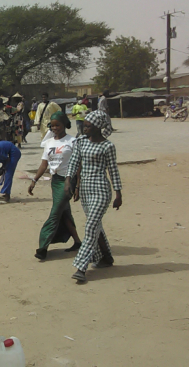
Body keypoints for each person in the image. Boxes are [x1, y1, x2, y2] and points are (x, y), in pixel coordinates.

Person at [65, 110, 122, 282]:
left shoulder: (108, 146)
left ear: (98, 128)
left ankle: (81, 267)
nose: (84, 128)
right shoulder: (81, 142)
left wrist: (118, 193)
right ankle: (105, 257)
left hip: (101, 191)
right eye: (84, 124)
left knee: (90, 227)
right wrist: (69, 181)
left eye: (88, 126)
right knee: (95, 225)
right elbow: (74, 161)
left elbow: (113, 171)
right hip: (85, 191)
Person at [29, 112, 82, 260]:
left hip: (68, 181)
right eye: (52, 125)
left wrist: (77, 185)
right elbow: (44, 164)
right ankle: (78, 241)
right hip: (56, 181)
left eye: (57, 125)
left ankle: (43, 247)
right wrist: (34, 180)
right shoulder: (49, 143)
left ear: (64, 124)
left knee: (55, 213)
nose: (55, 128)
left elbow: (78, 165)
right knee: (64, 212)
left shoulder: (72, 141)